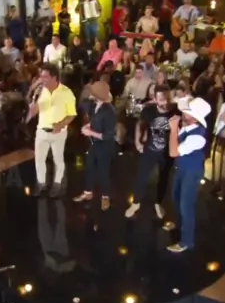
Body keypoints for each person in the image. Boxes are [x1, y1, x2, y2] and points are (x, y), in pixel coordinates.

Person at [166, 96, 211, 253]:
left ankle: (187, 241)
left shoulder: (198, 137)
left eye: (187, 113)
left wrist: (173, 129)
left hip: (191, 172)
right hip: (181, 168)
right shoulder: (187, 127)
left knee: (186, 206)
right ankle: (179, 225)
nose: (183, 114)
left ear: (194, 118)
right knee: (176, 198)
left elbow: (173, 152)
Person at [26, 62, 77, 197]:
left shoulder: (66, 93)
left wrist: (60, 125)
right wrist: (34, 102)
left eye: (45, 77)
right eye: (41, 77)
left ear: (54, 77)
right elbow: (34, 111)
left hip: (58, 132)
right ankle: (41, 184)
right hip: (41, 130)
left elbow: (72, 114)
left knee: (57, 159)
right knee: (39, 159)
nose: (41, 80)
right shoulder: (41, 92)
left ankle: (57, 185)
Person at [125, 86, 176, 220]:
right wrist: (137, 142)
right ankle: (136, 203)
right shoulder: (149, 110)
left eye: (163, 99)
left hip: (166, 153)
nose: (161, 102)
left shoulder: (174, 111)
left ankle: (158, 203)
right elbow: (139, 124)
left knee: (163, 178)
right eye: (158, 99)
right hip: (150, 149)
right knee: (142, 176)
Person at [74, 80, 117, 210]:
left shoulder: (109, 111)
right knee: (89, 167)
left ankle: (105, 196)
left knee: (103, 171)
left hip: (105, 146)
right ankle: (88, 192)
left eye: (92, 92)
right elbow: (93, 121)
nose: (89, 94)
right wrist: (88, 126)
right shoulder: (94, 106)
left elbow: (108, 135)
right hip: (94, 144)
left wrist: (90, 132)